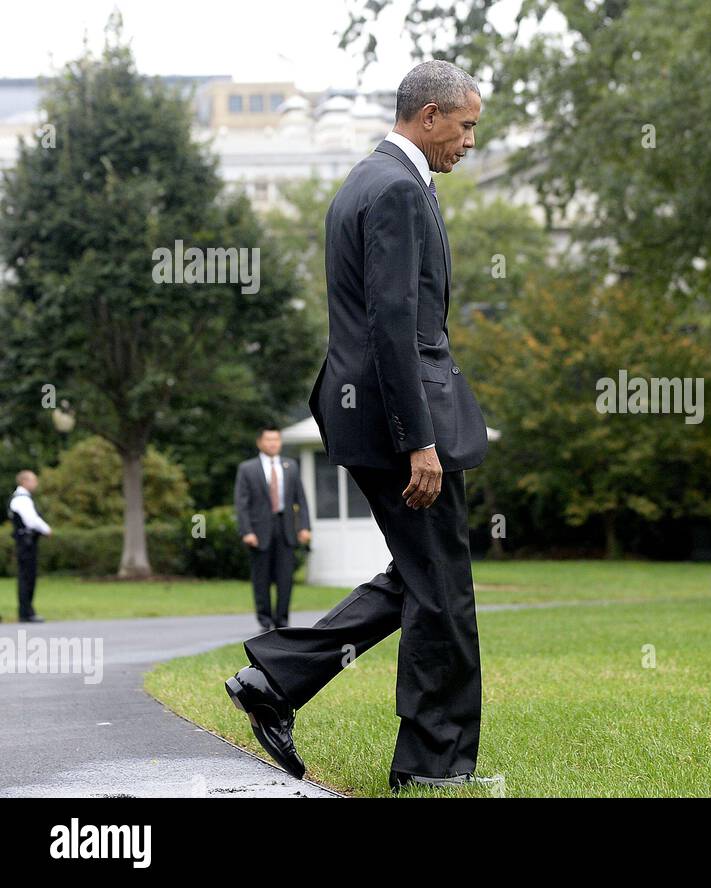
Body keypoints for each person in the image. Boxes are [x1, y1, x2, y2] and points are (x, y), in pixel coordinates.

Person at [224, 60, 491, 791]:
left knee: (420, 578)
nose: (469, 141)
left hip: (369, 416)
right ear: (428, 116)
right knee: (442, 592)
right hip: (398, 424)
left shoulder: (368, 181)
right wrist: (420, 442)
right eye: (465, 126)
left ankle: (274, 680)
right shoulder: (398, 189)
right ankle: (433, 767)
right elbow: (393, 326)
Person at [234, 426, 312, 629]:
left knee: (285, 578)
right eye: (268, 440)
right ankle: (265, 620)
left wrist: (304, 526)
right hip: (259, 532)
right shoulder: (247, 469)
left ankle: (282, 621)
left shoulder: (291, 466)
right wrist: (247, 531)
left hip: (286, 529)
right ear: (260, 442)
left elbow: (301, 500)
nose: (273, 443)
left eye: (276, 440)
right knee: (261, 579)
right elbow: (241, 504)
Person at [8, 470, 52, 623]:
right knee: (27, 576)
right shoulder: (22, 499)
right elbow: (31, 520)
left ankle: (26, 611)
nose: (36, 484)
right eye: (33, 480)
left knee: (26, 576)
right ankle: (26, 612)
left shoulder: (21, 498)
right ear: (24, 481)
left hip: (25, 542)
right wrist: (46, 530)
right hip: (26, 543)